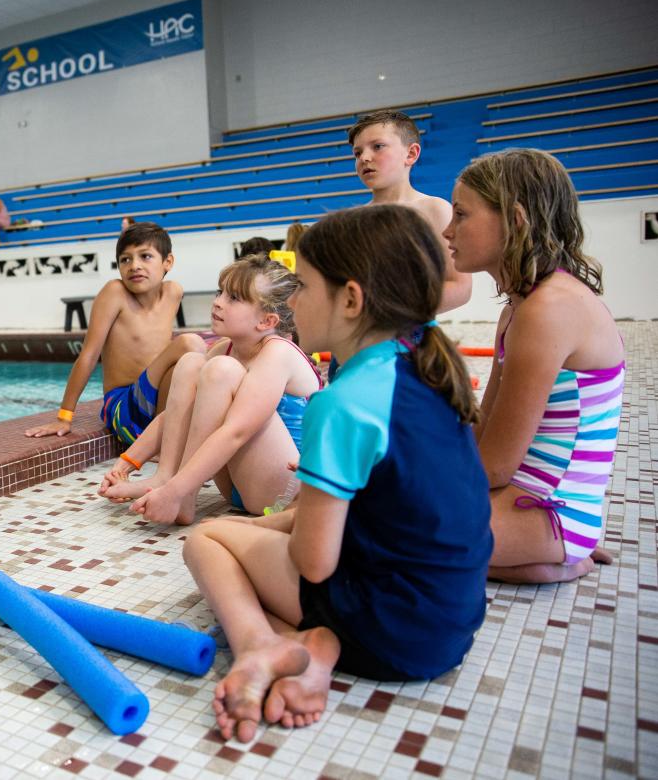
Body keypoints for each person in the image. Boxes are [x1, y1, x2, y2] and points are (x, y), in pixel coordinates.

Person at [183, 205, 491, 743]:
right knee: (246, 536)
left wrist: (250, 533)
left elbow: (314, 562)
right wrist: (263, 529)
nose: (293, 299)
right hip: (453, 621)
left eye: (302, 285)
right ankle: (317, 648)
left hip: (391, 631)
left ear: (350, 299)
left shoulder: (344, 402)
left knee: (206, 541)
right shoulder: (430, 367)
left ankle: (262, 644)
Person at [445, 148, 623, 584]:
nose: (448, 231)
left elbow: (494, 467)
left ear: (516, 220)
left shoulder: (548, 310)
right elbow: (485, 427)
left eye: (461, 215)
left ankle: (556, 554)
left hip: (548, 509)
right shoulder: (521, 305)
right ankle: (546, 561)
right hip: (537, 500)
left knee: (379, 535)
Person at [97, 255, 321, 524]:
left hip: (284, 495)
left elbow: (235, 433)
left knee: (220, 370)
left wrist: (173, 493)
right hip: (237, 489)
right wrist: (127, 464)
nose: (218, 302)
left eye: (234, 298)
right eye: (220, 292)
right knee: (192, 363)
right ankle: (167, 478)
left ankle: (180, 492)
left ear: (266, 321)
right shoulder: (225, 349)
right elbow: (177, 414)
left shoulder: (278, 353)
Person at [25, 222, 204, 443]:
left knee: (195, 358)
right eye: (125, 259)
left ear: (168, 262)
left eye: (145, 256)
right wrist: (64, 417)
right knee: (190, 344)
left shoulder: (173, 292)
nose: (134, 265)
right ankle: (161, 442)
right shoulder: (115, 293)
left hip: (156, 404)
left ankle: (168, 436)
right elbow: (89, 356)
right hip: (123, 410)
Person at [348, 110, 472, 312]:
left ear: (411, 153)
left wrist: (392, 311)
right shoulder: (352, 221)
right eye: (358, 153)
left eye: (377, 146)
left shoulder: (434, 209)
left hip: (410, 335)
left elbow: (460, 286)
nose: (365, 158)